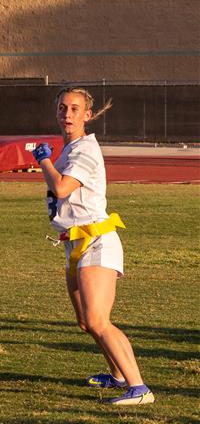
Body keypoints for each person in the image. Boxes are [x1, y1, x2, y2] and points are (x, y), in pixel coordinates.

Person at [32, 87, 153, 406]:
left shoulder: (84, 150)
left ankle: (139, 388)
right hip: (74, 244)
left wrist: (43, 160)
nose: (66, 114)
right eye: (62, 108)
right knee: (87, 322)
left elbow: (60, 187)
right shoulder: (70, 148)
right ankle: (117, 376)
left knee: (99, 319)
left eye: (74, 109)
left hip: (96, 241)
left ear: (87, 115)